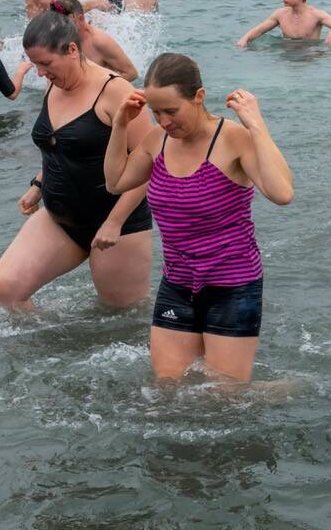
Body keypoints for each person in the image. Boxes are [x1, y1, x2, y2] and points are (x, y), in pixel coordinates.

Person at [103, 53, 294, 382]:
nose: (163, 121)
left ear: (199, 97)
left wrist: (256, 124)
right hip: (177, 284)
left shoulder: (232, 138)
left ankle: (285, 390)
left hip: (233, 286)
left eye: (171, 111)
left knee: (224, 399)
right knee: (167, 390)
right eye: (155, 112)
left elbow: (281, 194)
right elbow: (115, 182)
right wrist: (120, 125)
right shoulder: (157, 141)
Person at [0, 10, 153, 311]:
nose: (40, 72)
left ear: (72, 50)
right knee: (4, 291)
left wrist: (114, 222)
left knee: (121, 319)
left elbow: (150, 163)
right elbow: (62, 148)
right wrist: (39, 184)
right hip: (60, 217)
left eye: (46, 63)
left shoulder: (115, 91)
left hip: (116, 224)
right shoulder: (56, 83)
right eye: (35, 64)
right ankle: (47, 350)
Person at [51, 0, 139, 81]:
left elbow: (131, 73)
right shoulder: (61, 39)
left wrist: (95, 89)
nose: (60, 27)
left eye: (65, 23)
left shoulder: (99, 41)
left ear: (80, 19)